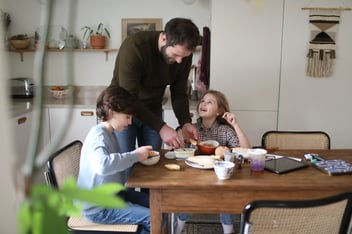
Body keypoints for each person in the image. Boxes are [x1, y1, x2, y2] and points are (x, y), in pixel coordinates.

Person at [110, 17, 201, 153]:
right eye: (176, 54)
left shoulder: (182, 56)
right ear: (164, 38)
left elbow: (179, 93)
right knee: (125, 160)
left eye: (184, 56)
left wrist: (185, 123)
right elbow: (129, 97)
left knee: (152, 159)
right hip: (123, 110)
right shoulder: (134, 47)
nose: (179, 61)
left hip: (152, 110)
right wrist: (161, 127)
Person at [77, 86, 152, 234]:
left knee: (157, 203)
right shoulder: (99, 136)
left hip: (113, 195)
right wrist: (135, 155)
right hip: (98, 208)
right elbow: (102, 166)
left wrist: (136, 156)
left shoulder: (109, 132)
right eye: (127, 117)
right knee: (152, 217)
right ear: (111, 112)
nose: (130, 122)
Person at [175, 90, 251, 234]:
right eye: (203, 101)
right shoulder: (192, 129)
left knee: (225, 196)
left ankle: (228, 230)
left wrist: (235, 125)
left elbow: (246, 150)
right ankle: (177, 229)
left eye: (210, 102)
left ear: (219, 111)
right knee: (187, 199)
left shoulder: (225, 130)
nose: (203, 104)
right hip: (194, 177)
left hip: (220, 178)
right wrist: (180, 132)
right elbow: (178, 149)